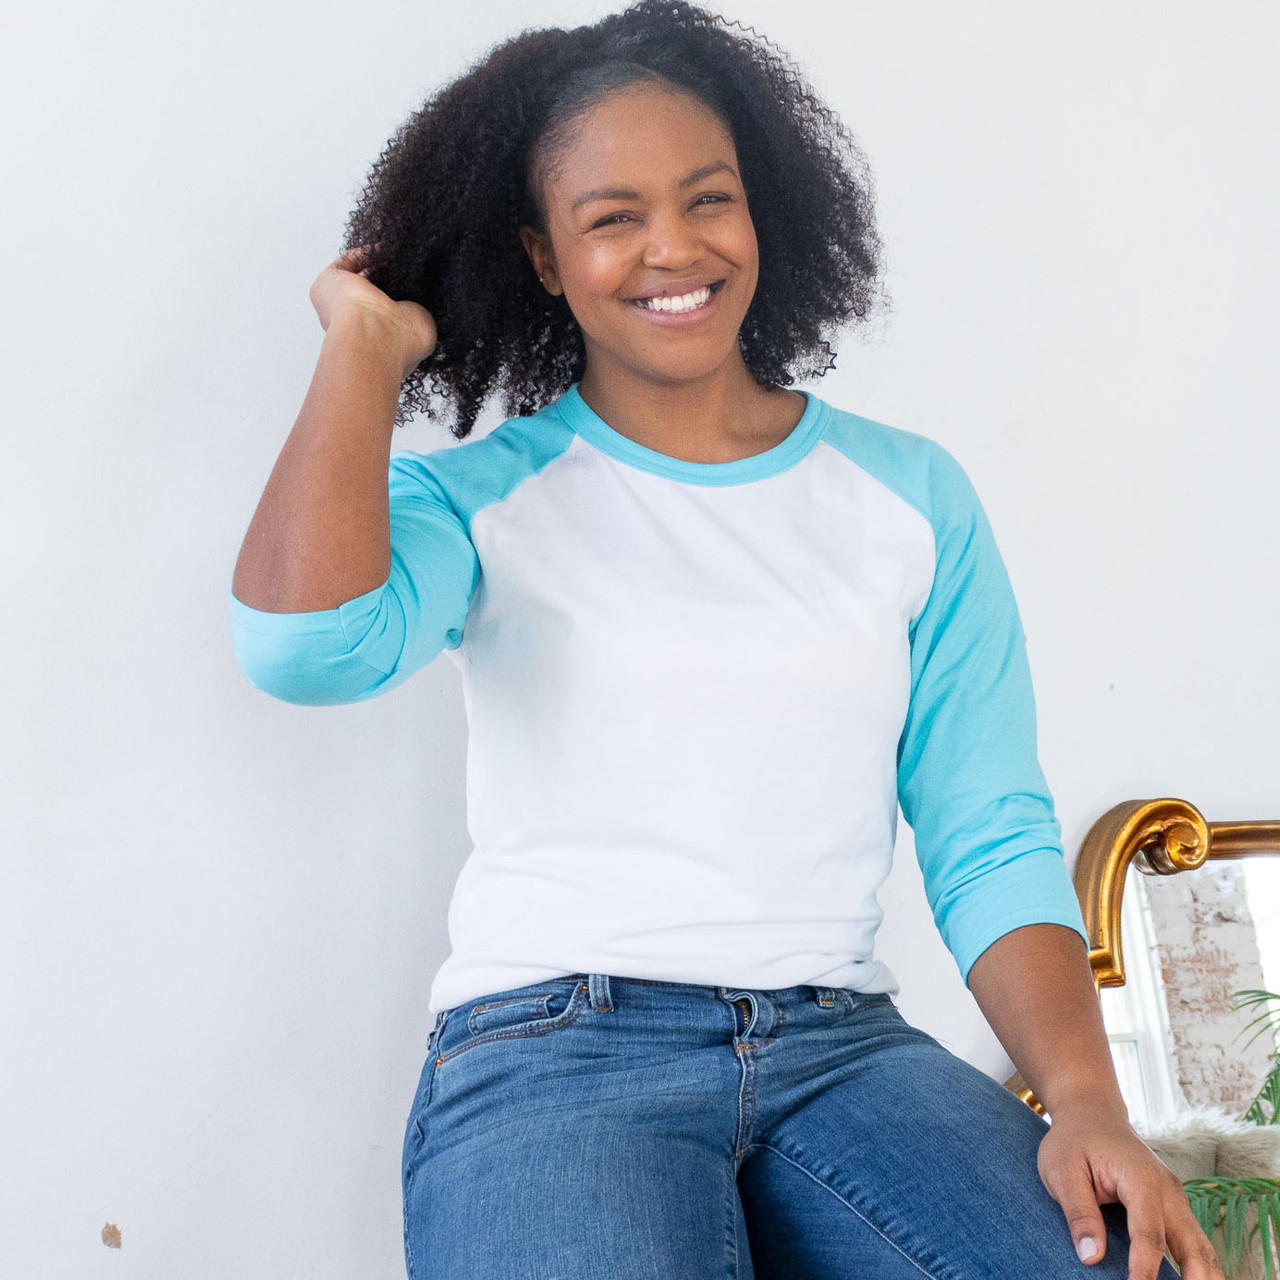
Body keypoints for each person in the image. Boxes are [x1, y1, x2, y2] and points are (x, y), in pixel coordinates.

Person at [228, 3, 1220, 1277]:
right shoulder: (480, 497)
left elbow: (985, 822)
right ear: (540, 255)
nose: (672, 248)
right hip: (553, 1044)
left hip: (842, 1049)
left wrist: (1084, 1098)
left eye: (709, 199)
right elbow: (303, 649)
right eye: (610, 216)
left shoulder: (909, 497)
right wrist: (363, 346)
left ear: (766, 209)